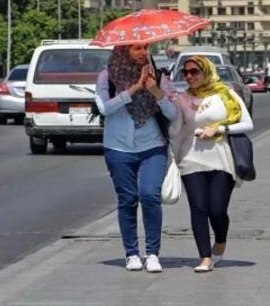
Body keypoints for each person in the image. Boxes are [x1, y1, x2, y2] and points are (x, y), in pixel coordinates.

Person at [96, 44, 177, 273]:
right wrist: (134, 89)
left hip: (152, 147)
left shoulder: (158, 76)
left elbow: (173, 113)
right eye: (136, 48)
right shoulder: (107, 77)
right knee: (127, 199)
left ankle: (152, 253)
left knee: (150, 196)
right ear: (124, 51)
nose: (143, 52)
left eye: (145, 48)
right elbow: (104, 108)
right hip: (118, 149)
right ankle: (131, 253)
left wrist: (154, 91)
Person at [169, 56, 253, 272]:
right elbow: (175, 131)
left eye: (194, 71)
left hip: (221, 159)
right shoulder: (183, 99)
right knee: (198, 208)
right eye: (185, 73)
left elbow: (247, 124)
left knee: (217, 210)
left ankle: (221, 239)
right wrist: (164, 102)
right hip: (190, 160)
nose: (189, 76)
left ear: (206, 71)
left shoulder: (226, 94)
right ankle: (205, 257)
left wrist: (219, 129)